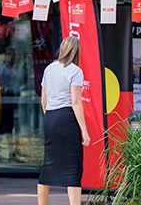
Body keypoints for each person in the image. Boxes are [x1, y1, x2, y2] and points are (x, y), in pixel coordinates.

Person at [38, 36, 90, 205]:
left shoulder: (49, 69)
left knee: (48, 165)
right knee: (73, 168)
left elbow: (43, 101)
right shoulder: (75, 71)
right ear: (77, 52)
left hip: (50, 118)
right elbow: (75, 102)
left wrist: (49, 117)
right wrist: (84, 130)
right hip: (66, 118)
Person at [0, 48, 17, 162]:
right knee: (0, 126)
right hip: (4, 97)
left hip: (11, 96)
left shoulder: (12, 68)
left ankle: (11, 153)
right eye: (11, 55)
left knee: (10, 126)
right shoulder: (2, 68)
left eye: (14, 56)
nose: (13, 58)